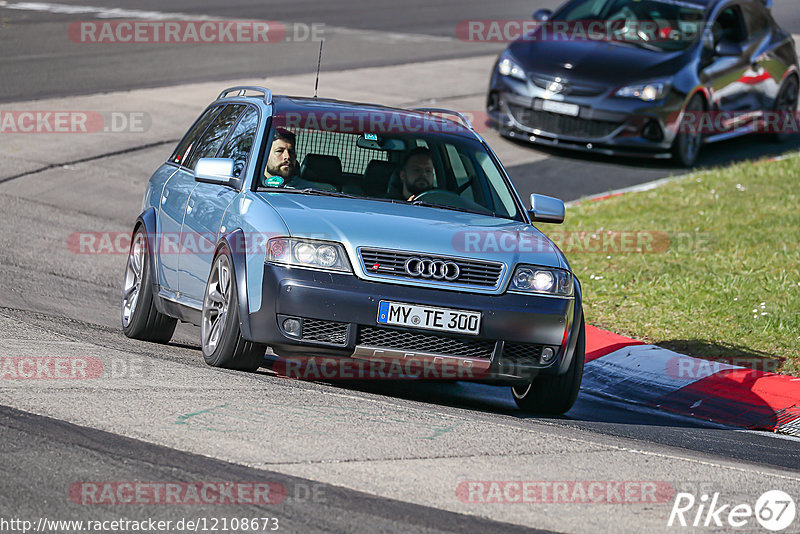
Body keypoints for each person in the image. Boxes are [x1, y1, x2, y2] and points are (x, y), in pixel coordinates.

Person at [262, 129, 337, 191]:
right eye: (280, 151)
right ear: (265, 155)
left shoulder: (313, 192)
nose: (287, 156)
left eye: (291, 152)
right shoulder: (251, 188)